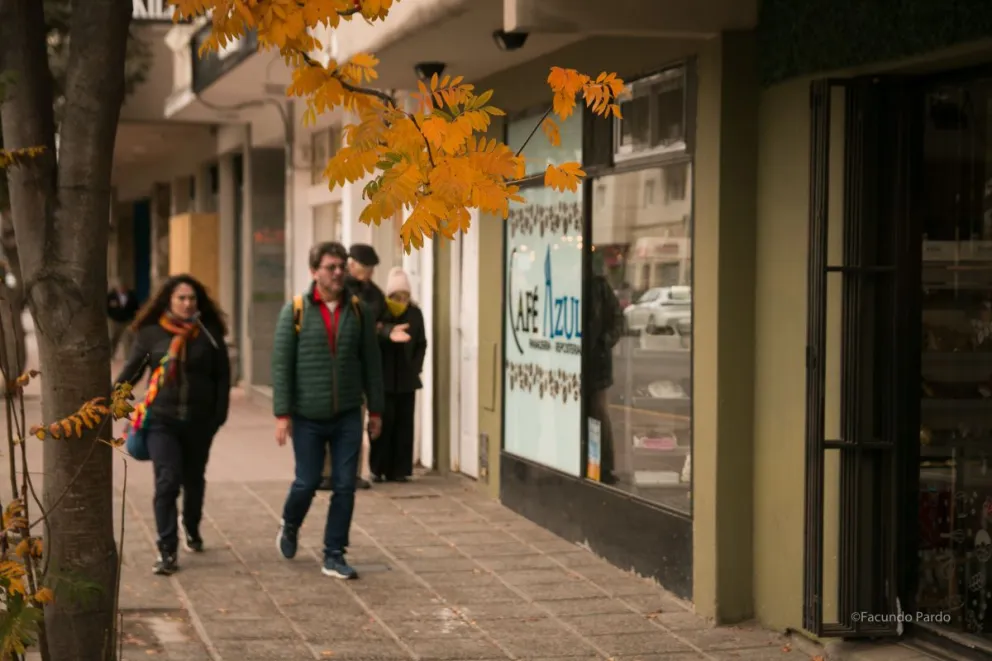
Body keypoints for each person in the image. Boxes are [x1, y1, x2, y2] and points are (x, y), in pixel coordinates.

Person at [272, 241, 384, 579]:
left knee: (345, 484)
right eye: (330, 267)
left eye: (341, 267)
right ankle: (290, 524)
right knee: (307, 482)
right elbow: (282, 365)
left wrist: (376, 410)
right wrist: (282, 414)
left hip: (349, 412)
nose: (338, 273)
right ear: (314, 271)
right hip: (307, 414)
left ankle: (334, 553)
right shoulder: (295, 311)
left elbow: (371, 363)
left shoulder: (359, 310)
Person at [116, 274, 231, 576]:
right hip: (161, 421)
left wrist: (218, 417)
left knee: (193, 480)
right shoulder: (151, 334)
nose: (187, 303)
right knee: (167, 480)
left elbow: (222, 378)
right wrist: (110, 403)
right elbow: (131, 373)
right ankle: (167, 549)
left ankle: (191, 526)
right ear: (169, 300)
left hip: (199, 422)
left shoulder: (209, 333)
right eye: (181, 298)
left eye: (192, 298)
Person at [370, 267, 427, 483]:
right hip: (383, 378)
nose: (401, 300)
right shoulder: (380, 313)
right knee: (383, 423)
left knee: (404, 425)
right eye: (396, 296)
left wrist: (416, 366)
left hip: (406, 378)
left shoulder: (415, 313)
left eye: (404, 295)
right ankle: (379, 468)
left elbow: (421, 342)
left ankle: (400, 469)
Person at [108, 279, 140, 361]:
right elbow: (107, 308)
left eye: (123, 287)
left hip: (127, 321)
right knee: (113, 338)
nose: (121, 288)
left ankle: (128, 357)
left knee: (128, 339)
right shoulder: (111, 296)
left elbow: (136, 308)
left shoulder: (131, 295)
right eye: (120, 287)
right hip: (115, 321)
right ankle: (111, 355)